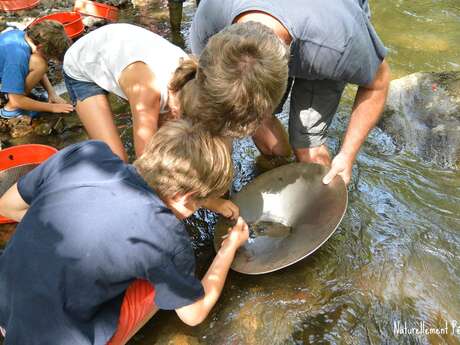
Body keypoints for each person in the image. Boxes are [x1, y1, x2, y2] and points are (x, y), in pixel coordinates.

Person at [0, 119, 249, 345]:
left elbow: (7, 205)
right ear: (185, 196)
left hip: (6, 313)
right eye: (199, 201)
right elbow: (194, 315)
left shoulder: (87, 153)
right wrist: (229, 247)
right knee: (162, 278)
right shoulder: (164, 234)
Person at [190, 0, 391, 185]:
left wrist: (346, 156)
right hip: (299, 27)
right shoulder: (209, 23)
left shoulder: (338, 46)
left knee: (307, 146)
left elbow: (378, 82)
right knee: (271, 146)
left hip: (327, 23)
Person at [63, 23, 188, 162]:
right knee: (116, 160)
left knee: (168, 141)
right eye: (180, 114)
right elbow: (145, 161)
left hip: (118, 52)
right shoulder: (148, 91)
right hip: (82, 62)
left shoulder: (194, 73)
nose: (178, 117)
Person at [0, 20, 74, 118]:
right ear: (40, 47)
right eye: (49, 57)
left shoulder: (22, 35)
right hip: (14, 98)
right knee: (40, 63)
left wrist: (52, 93)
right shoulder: (17, 58)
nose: (48, 60)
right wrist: (52, 107)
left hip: (7, 70)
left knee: (39, 62)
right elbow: (15, 100)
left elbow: (39, 69)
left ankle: (14, 92)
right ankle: (10, 109)